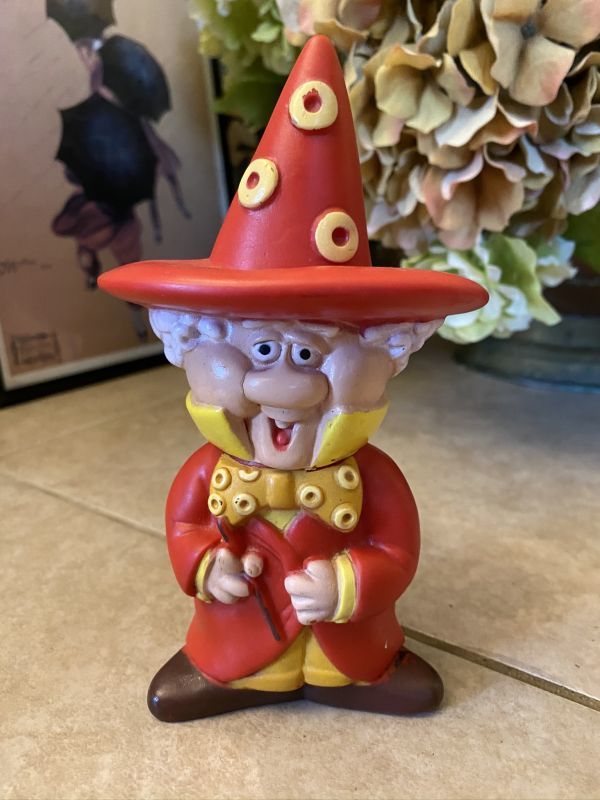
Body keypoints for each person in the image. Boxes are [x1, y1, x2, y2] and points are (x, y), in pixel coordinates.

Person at [99, 35, 487, 721]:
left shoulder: (373, 479)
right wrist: (206, 565)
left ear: (384, 356)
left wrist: (349, 582)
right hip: (237, 633)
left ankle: (364, 673)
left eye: (311, 356)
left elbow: (396, 548)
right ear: (191, 348)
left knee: (370, 664)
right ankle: (230, 673)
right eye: (257, 353)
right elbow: (185, 524)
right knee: (223, 659)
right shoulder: (206, 472)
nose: (280, 388)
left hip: (347, 641)